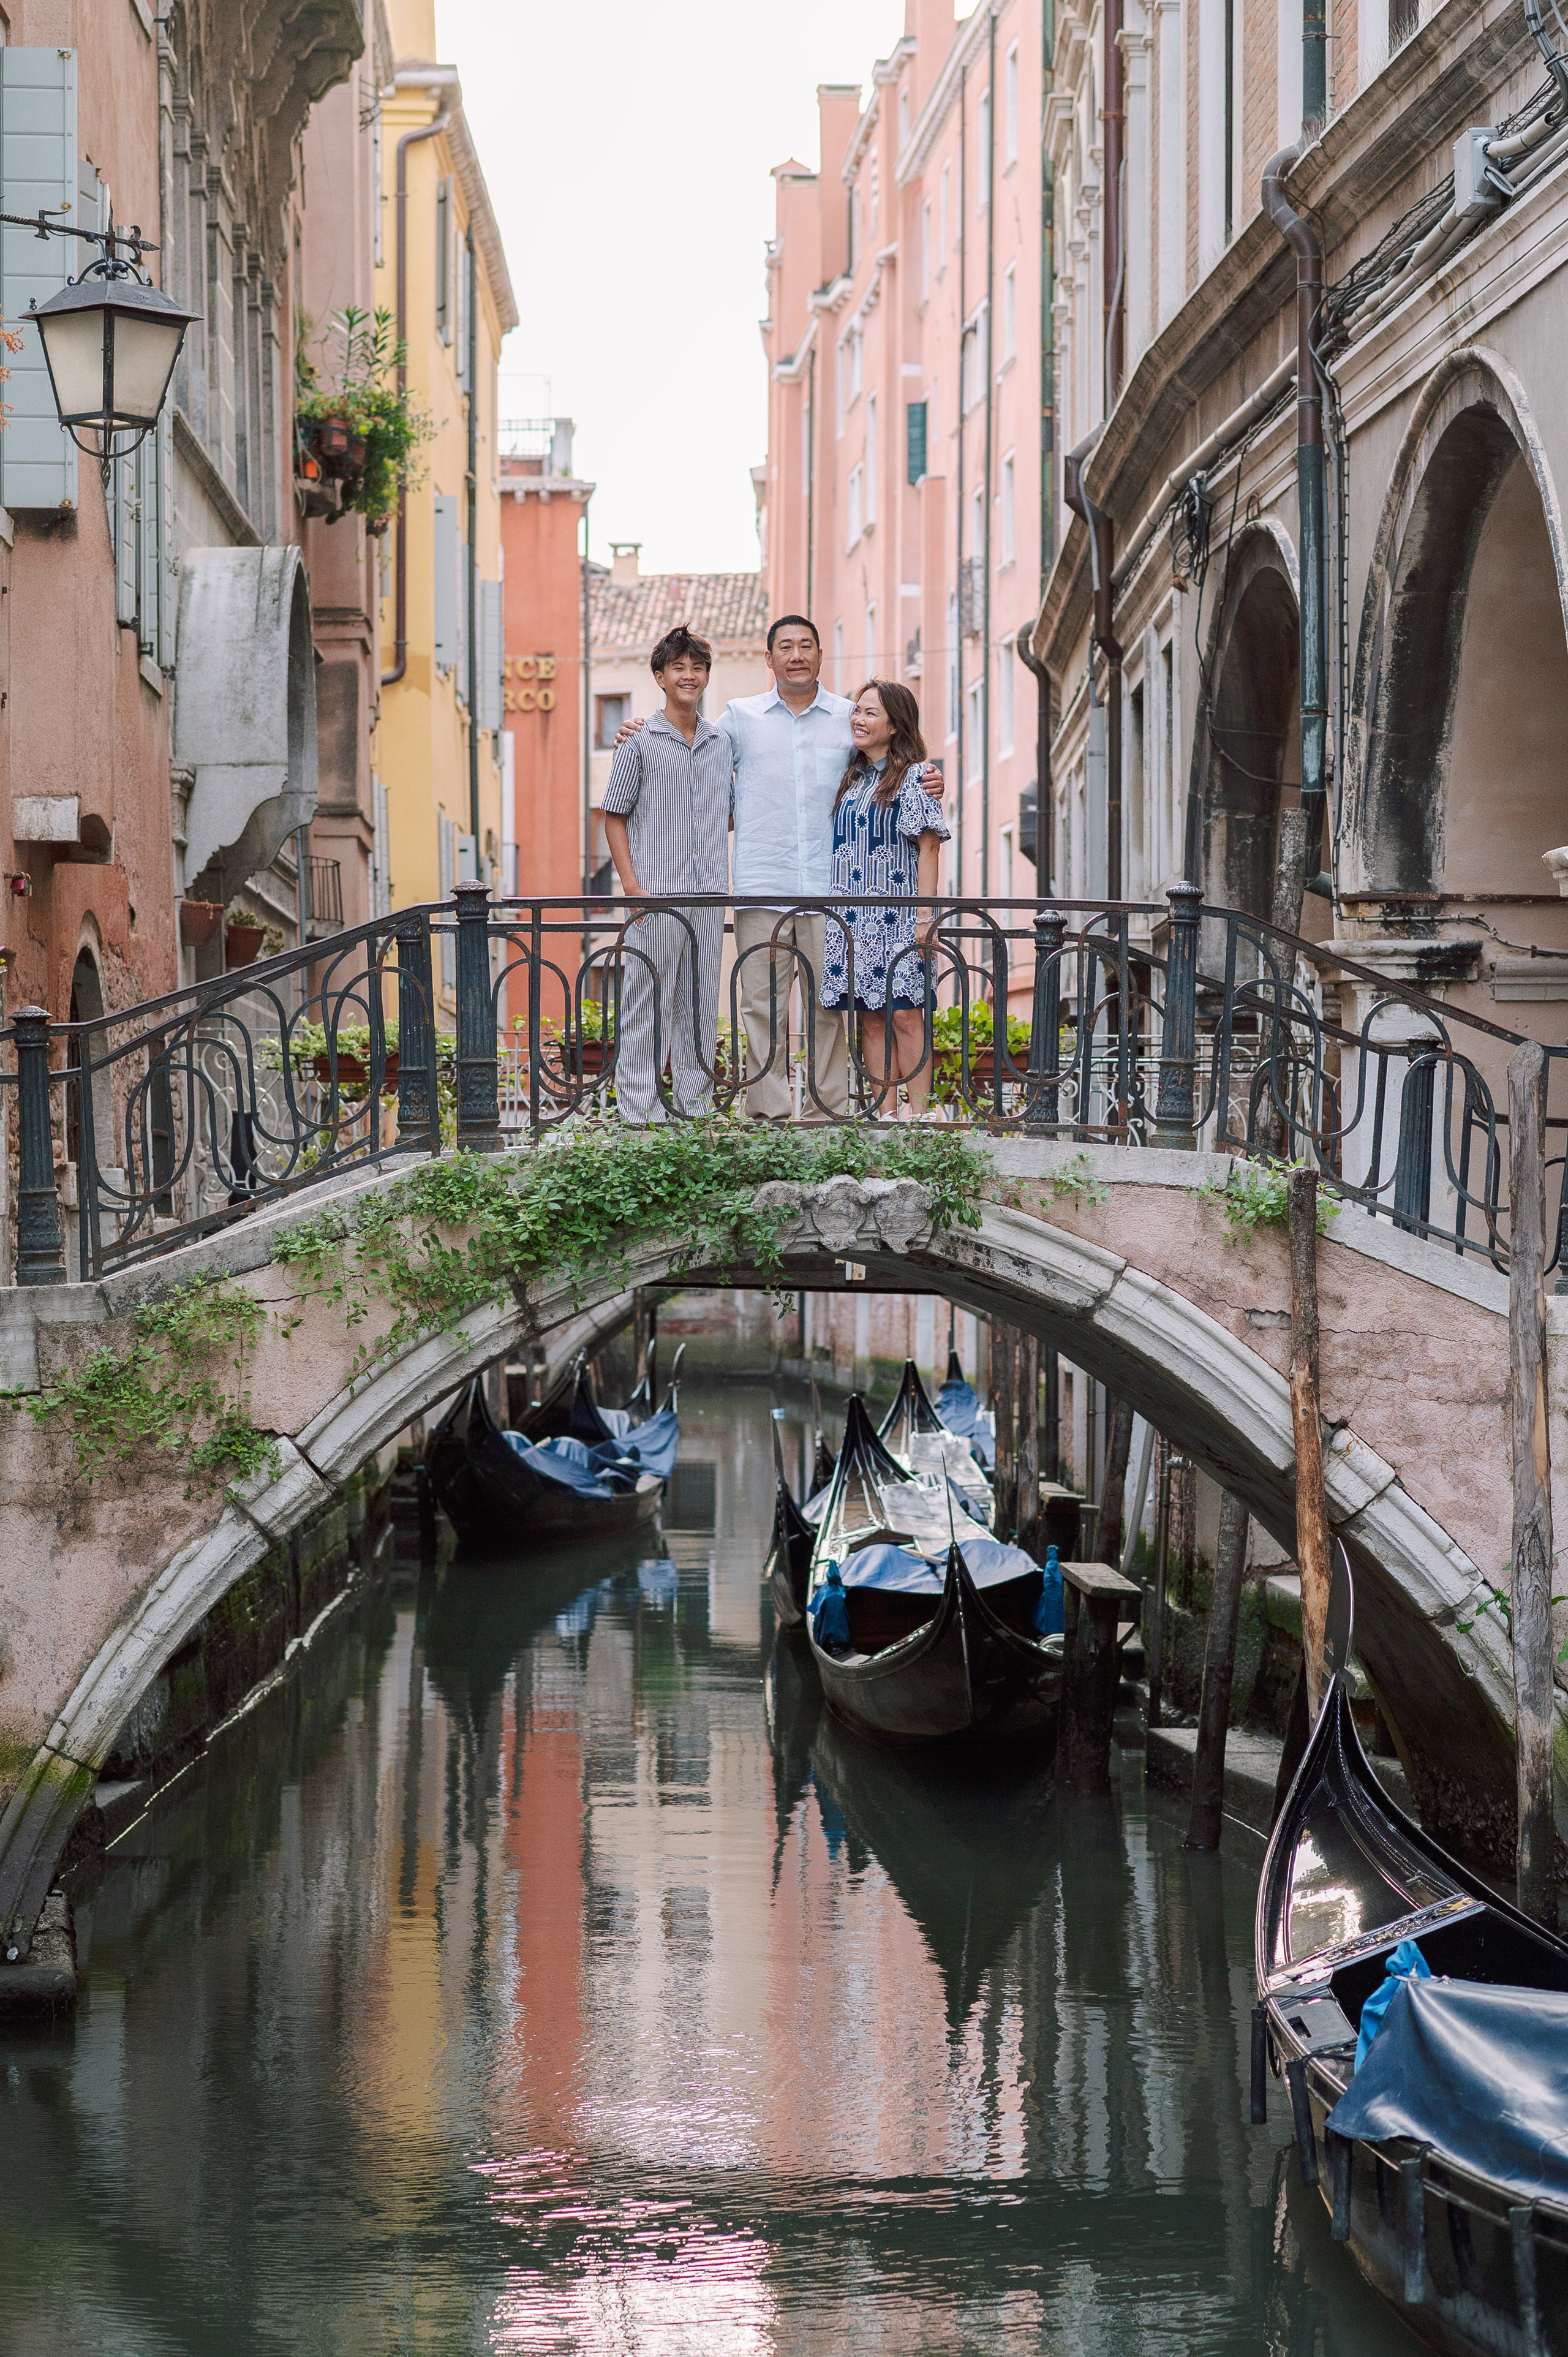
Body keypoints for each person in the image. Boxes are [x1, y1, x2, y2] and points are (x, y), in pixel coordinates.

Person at [617, 615, 943, 1120]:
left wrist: (928, 776)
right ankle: (768, 1118)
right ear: (768, 659)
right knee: (762, 1009)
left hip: (830, 892)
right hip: (759, 886)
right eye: (785, 647)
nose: (796, 655)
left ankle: (825, 1116)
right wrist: (636, 728)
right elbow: (686, 738)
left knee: (829, 1011)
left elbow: (890, 758)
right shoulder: (737, 719)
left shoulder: (847, 718)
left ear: (819, 656)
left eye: (806, 646)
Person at [601, 625, 731, 1125]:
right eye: (679, 667)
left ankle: (695, 1106)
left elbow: (732, 811)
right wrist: (632, 888)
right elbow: (613, 815)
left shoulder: (722, 744)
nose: (689, 675)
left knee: (698, 1005)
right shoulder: (639, 743)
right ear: (660, 676)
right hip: (655, 896)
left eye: (697, 667)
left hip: (709, 895)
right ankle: (639, 1110)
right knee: (646, 1000)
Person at [820, 679, 949, 1120]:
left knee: (906, 1015)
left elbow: (929, 847)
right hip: (852, 920)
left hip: (899, 917)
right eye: (857, 710)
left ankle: (923, 1116)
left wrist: (925, 917)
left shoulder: (915, 776)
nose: (859, 719)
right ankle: (884, 1113)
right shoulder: (851, 778)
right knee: (871, 1018)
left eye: (871, 712)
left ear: (895, 725)